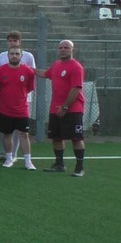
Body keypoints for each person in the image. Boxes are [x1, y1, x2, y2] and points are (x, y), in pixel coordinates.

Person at [34, 40, 87, 177]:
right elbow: (45, 74)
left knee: (76, 138)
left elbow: (75, 89)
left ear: (72, 50)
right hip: (55, 108)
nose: (63, 50)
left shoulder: (76, 67)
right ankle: (59, 164)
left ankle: (79, 168)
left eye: (66, 48)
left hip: (73, 108)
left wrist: (65, 107)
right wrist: (29, 69)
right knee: (56, 137)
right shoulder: (56, 65)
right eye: (61, 48)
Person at [0, 47, 37, 170]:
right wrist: (5, 95)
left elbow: (29, 88)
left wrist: (19, 96)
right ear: (7, 55)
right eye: (12, 54)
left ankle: (28, 162)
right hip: (5, 109)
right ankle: (8, 158)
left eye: (17, 54)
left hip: (22, 109)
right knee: (7, 134)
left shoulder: (28, 71)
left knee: (24, 135)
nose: (14, 56)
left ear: (21, 56)